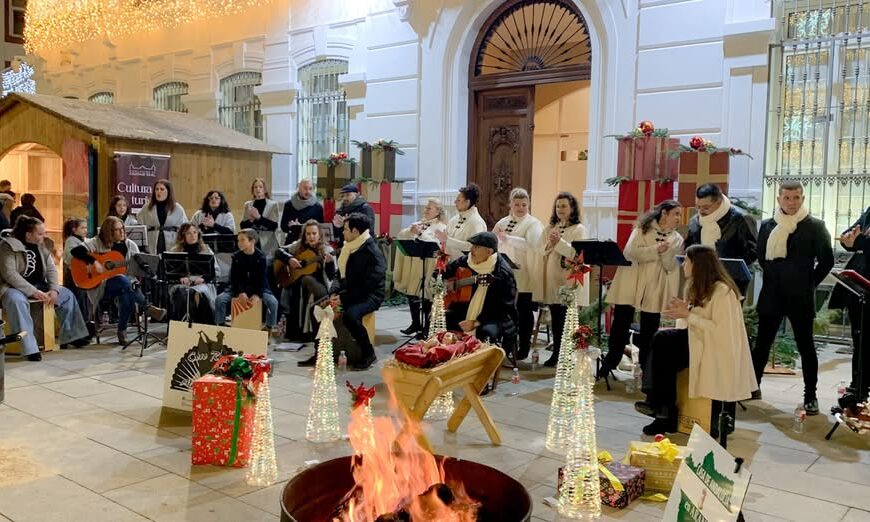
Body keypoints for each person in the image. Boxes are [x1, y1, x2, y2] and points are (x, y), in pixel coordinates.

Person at [635, 245, 757, 435]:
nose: (683, 264)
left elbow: (721, 332)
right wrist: (684, 311)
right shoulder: (695, 286)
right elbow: (693, 321)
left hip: (714, 347)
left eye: (686, 260)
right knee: (663, 346)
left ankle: (660, 408)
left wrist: (688, 314)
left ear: (698, 265)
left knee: (663, 341)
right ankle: (662, 411)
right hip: (697, 341)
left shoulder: (723, 292)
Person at [752, 182, 833, 414]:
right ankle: (753, 386)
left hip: (800, 296)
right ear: (779, 199)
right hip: (772, 293)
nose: (791, 202)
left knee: (806, 346)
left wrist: (809, 283)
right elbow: (761, 256)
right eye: (787, 198)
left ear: (803, 198)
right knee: (762, 344)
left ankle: (810, 395)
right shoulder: (768, 226)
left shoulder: (815, 226)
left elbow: (826, 261)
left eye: (796, 197)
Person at [600, 200, 683, 378]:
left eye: (680, 214)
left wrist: (666, 252)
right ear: (664, 213)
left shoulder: (676, 238)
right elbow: (631, 252)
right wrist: (656, 249)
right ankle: (609, 364)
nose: (679, 218)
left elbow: (670, 266)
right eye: (676, 213)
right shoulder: (642, 229)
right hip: (632, 280)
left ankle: (647, 372)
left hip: (654, 284)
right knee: (620, 326)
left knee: (649, 330)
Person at [0, 216, 91, 360]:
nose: (44, 236)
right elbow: (9, 274)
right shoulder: (7, 247)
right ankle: (30, 348)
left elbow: (51, 270)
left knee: (67, 295)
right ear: (28, 235)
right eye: (40, 234)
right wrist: (33, 292)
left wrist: (54, 289)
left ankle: (72, 336)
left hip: (40, 285)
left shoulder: (42, 246)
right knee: (16, 301)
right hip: (14, 288)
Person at [71, 216, 164, 345]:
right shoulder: (97, 242)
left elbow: (137, 271)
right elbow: (75, 251)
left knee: (127, 291)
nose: (122, 232)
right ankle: (146, 307)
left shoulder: (130, 245)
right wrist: (94, 261)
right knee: (123, 281)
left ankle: (122, 331)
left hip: (125, 286)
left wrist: (136, 268)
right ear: (109, 231)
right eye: (117, 230)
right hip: (101, 288)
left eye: (122, 229)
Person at [534, 192, 589, 367]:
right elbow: (540, 251)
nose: (560, 209)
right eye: (558, 206)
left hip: (568, 281)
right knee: (555, 319)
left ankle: (566, 356)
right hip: (553, 279)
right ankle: (556, 353)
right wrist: (550, 244)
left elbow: (577, 254)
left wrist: (559, 243)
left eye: (564, 206)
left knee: (567, 320)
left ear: (572, 208)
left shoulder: (578, 229)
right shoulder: (550, 227)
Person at [442, 231, 518, 354]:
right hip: (464, 309)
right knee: (439, 319)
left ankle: (480, 366)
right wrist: (443, 279)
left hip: (493, 316)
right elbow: (446, 271)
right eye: (472, 246)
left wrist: (477, 321)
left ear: (489, 252)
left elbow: (504, 307)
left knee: (487, 332)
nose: (472, 250)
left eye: (477, 247)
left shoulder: (503, 273)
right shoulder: (467, 260)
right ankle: (446, 359)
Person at [329, 212, 386, 370]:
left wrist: (344, 299)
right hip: (350, 290)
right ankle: (322, 351)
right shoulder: (349, 246)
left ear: (355, 232)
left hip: (371, 295)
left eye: (346, 229)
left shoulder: (372, 252)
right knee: (320, 307)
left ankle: (368, 353)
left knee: (351, 316)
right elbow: (338, 274)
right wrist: (334, 292)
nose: (343, 232)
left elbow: (368, 286)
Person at [493, 188, 543, 360]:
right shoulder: (503, 221)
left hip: (525, 274)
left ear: (528, 204)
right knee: (505, 311)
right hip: (505, 274)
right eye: (516, 204)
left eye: (524, 204)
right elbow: (494, 241)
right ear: (510, 205)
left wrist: (509, 238)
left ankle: (524, 345)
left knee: (523, 311)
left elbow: (533, 245)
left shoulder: (533, 223)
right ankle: (507, 344)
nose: (520, 208)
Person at [828, 206, 870, 409]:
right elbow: (852, 235)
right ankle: (857, 391)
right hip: (859, 289)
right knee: (860, 341)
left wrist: (860, 241)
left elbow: (860, 241)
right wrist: (848, 239)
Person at [275, 219, 336, 357]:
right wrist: (289, 259)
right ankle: (299, 332)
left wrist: (330, 264)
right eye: (308, 234)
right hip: (296, 285)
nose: (311, 237)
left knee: (308, 280)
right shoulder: (297, 246)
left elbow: (332, 276)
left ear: (319, 234)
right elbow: (279, 251)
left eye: (314, 233)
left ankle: (319, 329)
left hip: (320, 285)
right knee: (302, 282)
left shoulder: (327, 250)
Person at [685, 184, 758, 294]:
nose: (700, 211)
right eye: (698, 207)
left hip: (731, 281)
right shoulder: (695, 222)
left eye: (706, 207)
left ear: (718, 202)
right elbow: (689, 248)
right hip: (701, 279)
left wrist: (727, 265)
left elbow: (753, 251)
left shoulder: (740, 220)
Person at [393, 198, 448, 336]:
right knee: (412, 293)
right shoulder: (420, 223)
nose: (425, 210)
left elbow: (436, 244)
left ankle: (427, 327)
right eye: (425, 208)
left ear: (438, 211)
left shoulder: (441, 226)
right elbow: (402, 234)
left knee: (426, 296)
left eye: (429, 208)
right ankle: (415, 323)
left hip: (428, 265)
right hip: (415, 263)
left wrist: (419, 234)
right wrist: (410, 232)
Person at [213, 229, 279, 331]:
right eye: (238, 240)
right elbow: (234, 278)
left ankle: (269, 328)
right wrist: (240, 292)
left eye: (242, 240)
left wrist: (257, 294)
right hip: (238, 287)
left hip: (258, 287)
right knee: (220, 300)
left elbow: (261, 279)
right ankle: (220, 326)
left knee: (273, 302)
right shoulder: (236, 257)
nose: (239, 243)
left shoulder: (261, 257)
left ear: (252, 241)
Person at [168, 223, 219, 325]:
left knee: (199, 294)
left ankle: (203, 325)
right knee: (182, 293)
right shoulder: (175, 251)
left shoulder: (206, 249)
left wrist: (203, 279)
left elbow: (214, 272)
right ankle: (181, 326)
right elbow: (170, 272)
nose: (193, 236)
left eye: (195, 232)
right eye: (189, 233)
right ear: (183, 236)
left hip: (202, 283)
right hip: (182, 283)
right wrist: (180, 277)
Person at [434, 183, 487, 260]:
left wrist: (447, 240)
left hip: (465, 267)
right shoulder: (453, 220)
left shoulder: (476, 222)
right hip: (449, 264)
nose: (455, 202)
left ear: (467, 202)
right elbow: (445, 241)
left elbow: (473, 247)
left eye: (458, 200)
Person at [137, 179, 188, 254]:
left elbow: (185, 227)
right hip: (152, 242)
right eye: (156, 189)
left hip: (172, 242)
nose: (159, 192)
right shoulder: (147, 208)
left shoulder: (177, 208)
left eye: (162, 189)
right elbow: (139, 226)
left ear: (168, 191)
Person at [62, 217, 93, 334]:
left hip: (82, 276)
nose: (85, 230)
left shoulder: (83, 240)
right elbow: (74, 258)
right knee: (79, 302)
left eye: (86, 227)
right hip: (74, 276)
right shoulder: (71, 241)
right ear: (74, 230)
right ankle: (78, 331)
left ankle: (83, 329)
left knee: (84, 302)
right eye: (83, 228)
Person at [240, 178, 281, 259]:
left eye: (260, 187)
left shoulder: (272, 204)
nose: (258, 189)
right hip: (252, 242)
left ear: (265, 189)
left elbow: (273, 226)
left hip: (268, 241)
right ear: (253, 190)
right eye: (255, 187)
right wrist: (251, 220)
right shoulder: (248, 205)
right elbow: (243, 226)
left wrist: (259, 217)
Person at [281, 179, 324, 245]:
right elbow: (283, 226)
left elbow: (321, 228)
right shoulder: (289, 205)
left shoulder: (317, 207)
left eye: (310, 189)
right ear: (299, 188)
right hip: (292, 241)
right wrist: (291, 227)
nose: (308, 191)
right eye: (305, 188)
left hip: (311, 243)